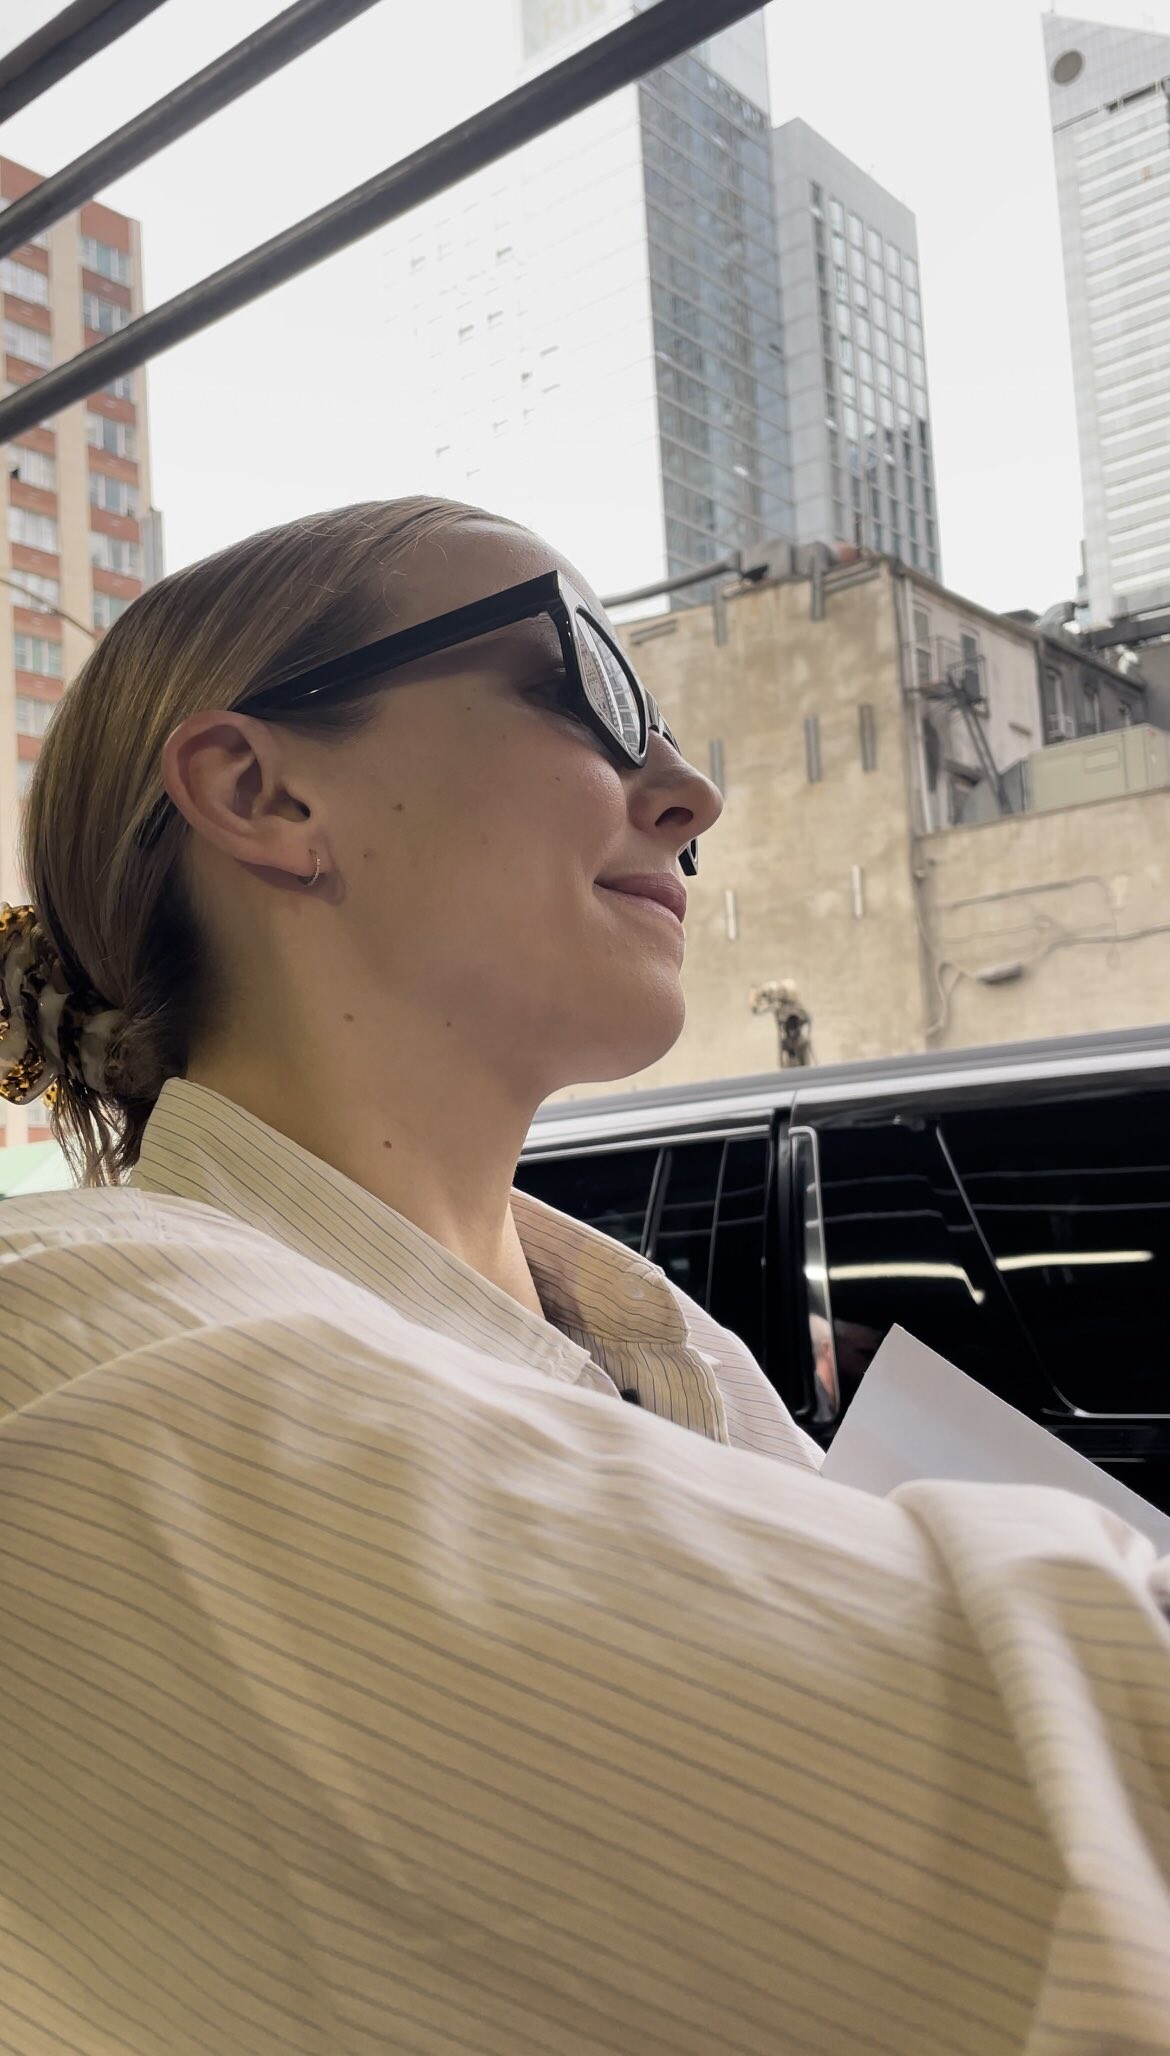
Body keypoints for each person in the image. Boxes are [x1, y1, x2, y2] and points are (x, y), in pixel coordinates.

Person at [0, 497, 1168, 2055]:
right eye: (588, 689)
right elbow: (1085, 1777)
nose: (687, 793)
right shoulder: (67, 1348)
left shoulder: (663, 1362)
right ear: (260, 790)